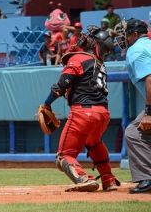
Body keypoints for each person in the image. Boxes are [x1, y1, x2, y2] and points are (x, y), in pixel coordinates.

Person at [40, 27, 121, 192]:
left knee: (64, 155)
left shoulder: (79, 58)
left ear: (94, 43)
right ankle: (108, 179)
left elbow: (60, 86)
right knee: (94, 143)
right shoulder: (100, 63)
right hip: (103, 114)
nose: (83, 39)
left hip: (83, 112)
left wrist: (47, 104)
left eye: (88, 38)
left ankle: (83, 178)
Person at [115, 19, 151, 194]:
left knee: (134, 133)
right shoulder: (148, 45)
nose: (125, 38)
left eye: (127, 34)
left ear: (135, 34)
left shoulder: (136, 49)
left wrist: (149, 113)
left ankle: (147, 179)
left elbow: (150, 78)